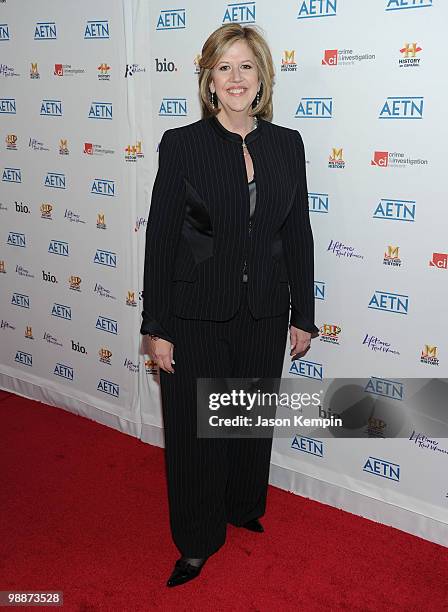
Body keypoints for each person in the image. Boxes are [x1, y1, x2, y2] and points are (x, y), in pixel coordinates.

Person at [140, 23, 319, 587]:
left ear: (262, 76)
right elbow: (162, 238)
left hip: (264, 310)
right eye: (224, 68)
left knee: (245, 420)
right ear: (209, 81)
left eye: (246, 66)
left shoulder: (287, 144)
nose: (236, 78)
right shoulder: (183, 143)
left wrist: (303, 313)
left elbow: (299, 235)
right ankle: (196, 540)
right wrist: (157, 324)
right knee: (196, 431)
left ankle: (243, 507)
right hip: (194, 315)